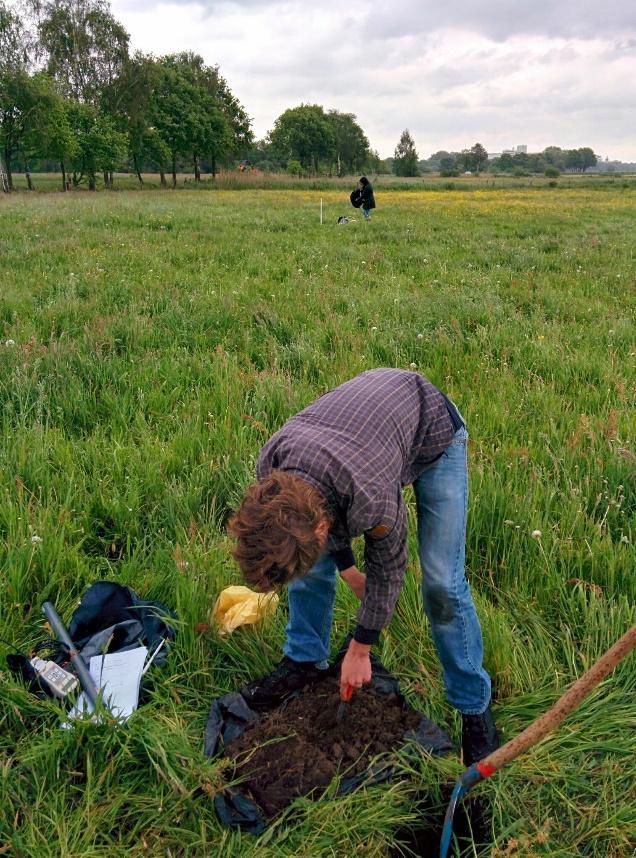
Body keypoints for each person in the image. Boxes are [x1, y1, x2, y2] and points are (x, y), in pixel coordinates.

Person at [229, 368, 499, 765]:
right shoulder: (273, 467)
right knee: (308, 564)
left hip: (434, 429)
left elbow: (389, 569)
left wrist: (360, 649)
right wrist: (347, 569)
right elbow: (323, 522)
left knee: (442, 582)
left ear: (322, 526)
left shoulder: (372, 499)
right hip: (360, 433)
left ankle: (474, 707)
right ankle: (304, 660)